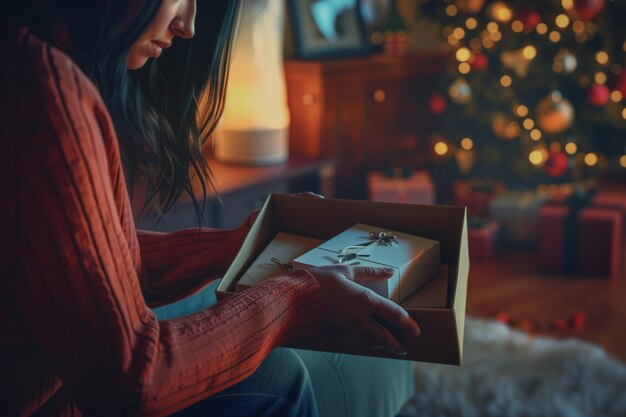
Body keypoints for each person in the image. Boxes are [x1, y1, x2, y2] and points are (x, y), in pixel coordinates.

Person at [0, 1, 421, 416]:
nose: (189, 26)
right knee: (278, 382)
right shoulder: (48, 92)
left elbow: (82, 262)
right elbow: (131, 378)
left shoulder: (32, 60)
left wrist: (244, 244)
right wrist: (302, 301)